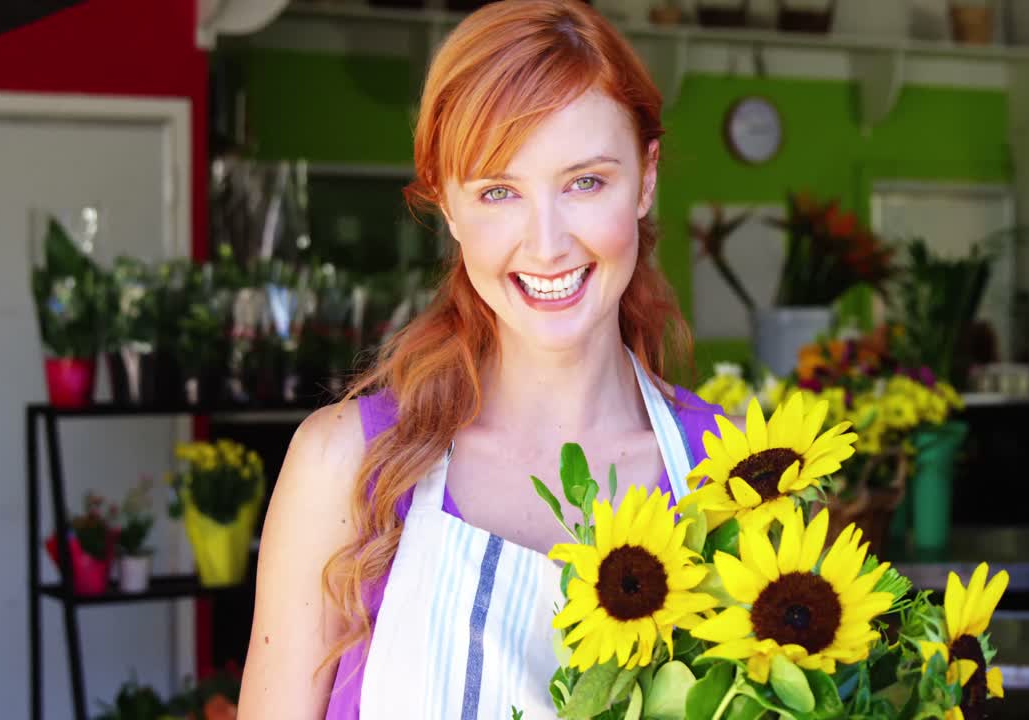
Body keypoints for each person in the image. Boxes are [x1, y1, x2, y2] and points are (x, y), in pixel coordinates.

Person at [237, 1, 731, 716]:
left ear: (646, 179)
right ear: (449, 206)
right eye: (499, 191)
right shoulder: (346, 466)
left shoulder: (736, 473)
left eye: (585, 182)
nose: (547, 243)